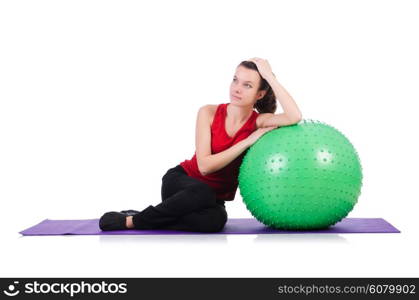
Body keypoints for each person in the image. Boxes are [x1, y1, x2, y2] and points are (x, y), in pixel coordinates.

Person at [99, 57, 302, 232]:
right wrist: (247, 141)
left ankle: (158, 217)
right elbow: (204, 167)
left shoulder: (259, 122)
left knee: (214, 222)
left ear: (260, 94)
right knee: (202, 192)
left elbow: (295, 116)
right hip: (181, 182)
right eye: (235, 80)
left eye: (247, 85)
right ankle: (132, 221)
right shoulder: (208, 112)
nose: (237, 89)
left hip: (211, 200)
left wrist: (270, 77)